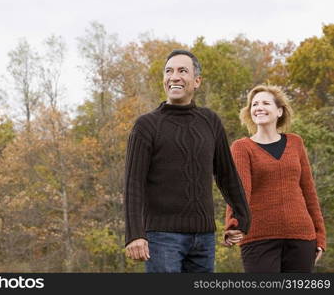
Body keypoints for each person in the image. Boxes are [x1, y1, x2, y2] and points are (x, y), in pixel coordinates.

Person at [124, 49, 251, 273]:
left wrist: (241, 219)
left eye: (183, 71)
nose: (174, 77)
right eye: (169, 71)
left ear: (196, 81)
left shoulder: (210, 121)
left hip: (204, 239)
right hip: (161, 238)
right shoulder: (146, 125)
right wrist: (135, 234)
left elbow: (227, 175)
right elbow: (133, 184)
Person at [224, 85, 326, 273]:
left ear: (279, 111)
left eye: (265, 103)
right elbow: (239, 190)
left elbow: (309, 192)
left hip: (301, 237)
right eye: (254, 104)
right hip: (259, 237)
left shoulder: (296, 143)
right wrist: (233, 224)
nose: (258, 107)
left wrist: (320, 236)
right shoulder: (242, 147)